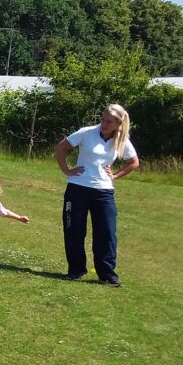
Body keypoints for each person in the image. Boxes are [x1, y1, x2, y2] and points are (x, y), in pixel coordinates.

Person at [54, 104, 139, 287]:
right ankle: (76, 270)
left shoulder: (121, 140)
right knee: (74, 230)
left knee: (107, 232)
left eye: (109, 121)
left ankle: (107, 274)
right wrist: (67, 170)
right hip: (77, 188)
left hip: (104, 191)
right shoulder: (87, 132)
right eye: (102, 119)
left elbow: (133, 162)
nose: (104, 123)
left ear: (118, 123)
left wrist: (115, 175)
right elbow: (60, 148)